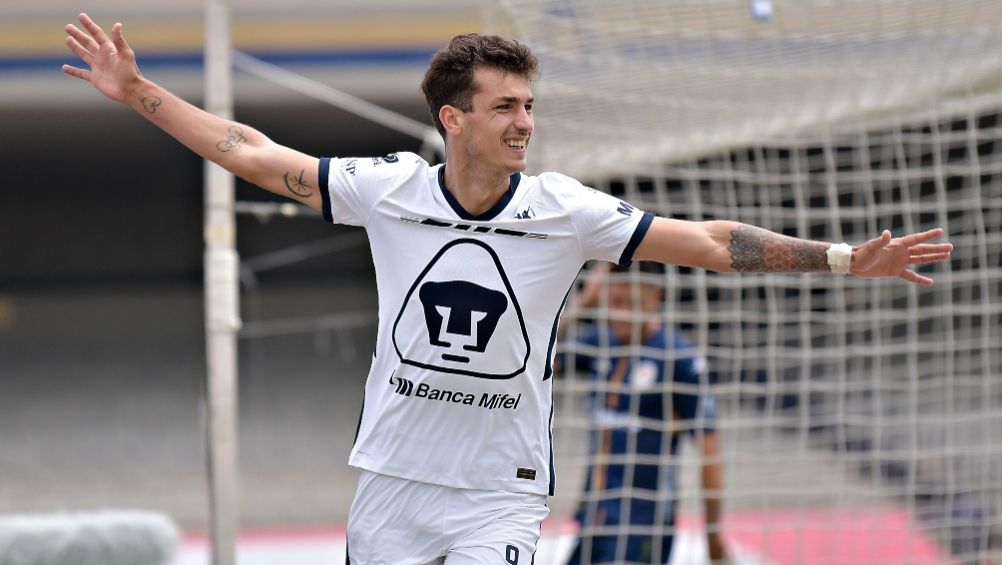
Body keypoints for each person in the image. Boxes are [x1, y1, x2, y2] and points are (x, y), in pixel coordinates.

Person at [62, 14, 953, 564]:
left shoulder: (566, 210)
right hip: (392, 477)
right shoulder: (388, 190)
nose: (525, 122)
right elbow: (249, 150)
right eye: (505, 108)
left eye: (529, 105)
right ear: (454, 120)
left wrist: (840, 260)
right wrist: (138, 90)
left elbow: (715, 243)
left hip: (502, 486)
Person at [559, 262, 727, 564]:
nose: (621, 314)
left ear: (655, 299)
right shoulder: (600, 341)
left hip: (644, 523)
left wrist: (713, 534)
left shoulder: (680, 360)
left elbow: (710, 453)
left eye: (632, 304)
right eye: (614, 303)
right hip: (594, 517)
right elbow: (535, 357)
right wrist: (584, 300)